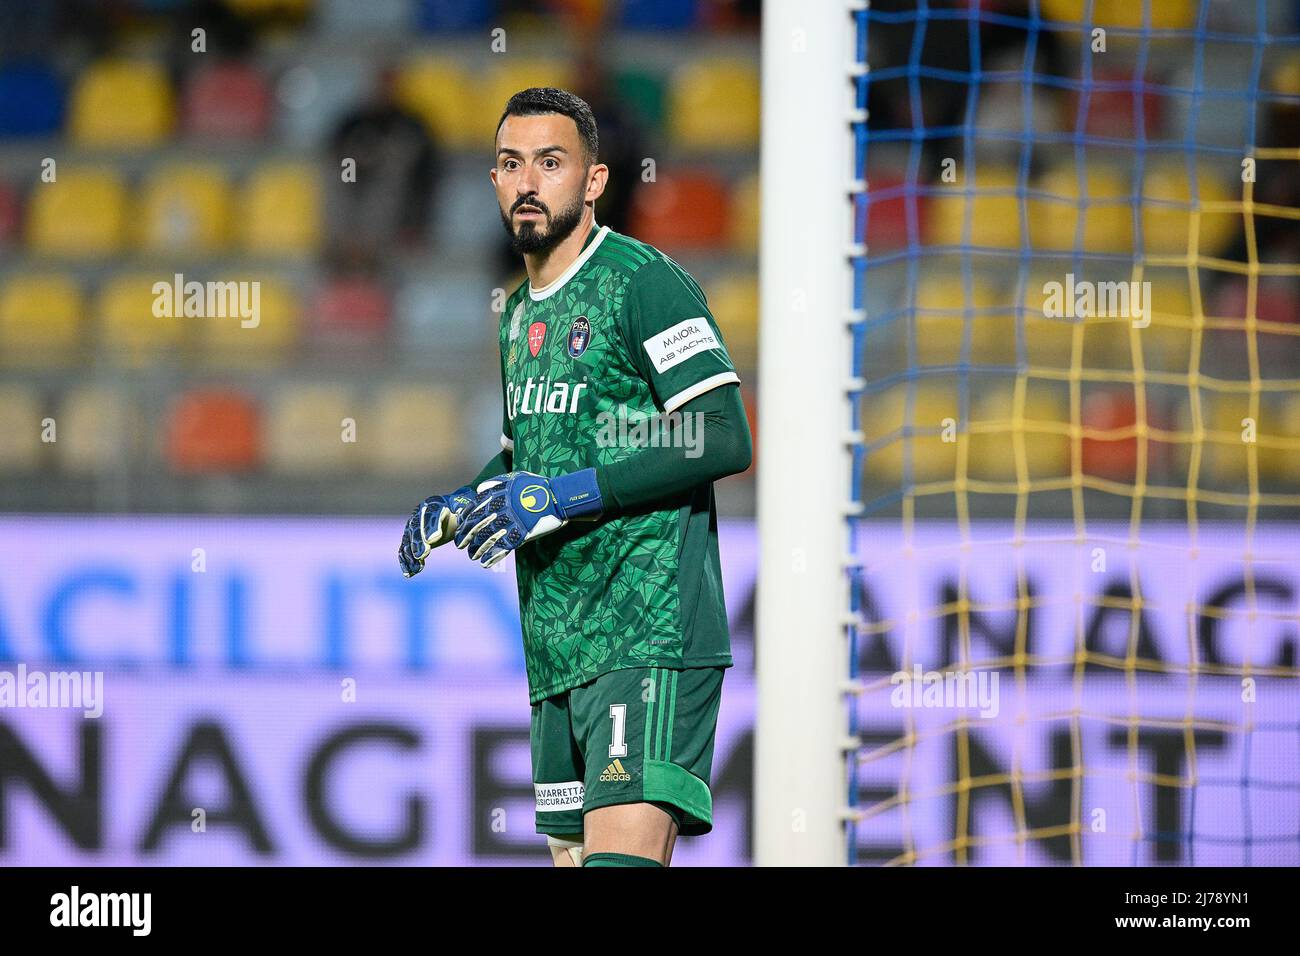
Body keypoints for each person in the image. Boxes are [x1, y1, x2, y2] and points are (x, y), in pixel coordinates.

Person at [398, 87, 752, 867]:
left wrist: (566, 497)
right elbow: (528, 454)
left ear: (593, 181)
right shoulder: (520, 312)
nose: (528, 181)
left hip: (647, 630)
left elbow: (723, 434)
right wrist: (466, 502)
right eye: (510, 164)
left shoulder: (642, 283)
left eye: (551, 163)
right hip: (558, 643)